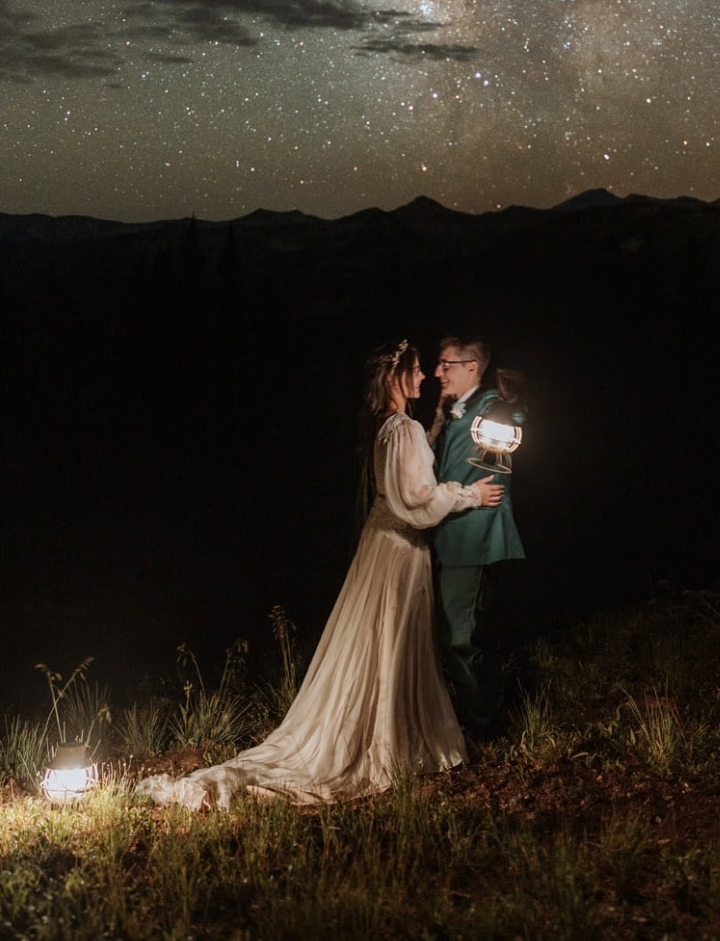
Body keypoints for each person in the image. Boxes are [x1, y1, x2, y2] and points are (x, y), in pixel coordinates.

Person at [137, 340, 503, 809]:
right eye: (415, 369)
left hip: (382, 544)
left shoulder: (390, 428)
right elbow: (417, 504)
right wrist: (469, 494)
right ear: (394, 377)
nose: (425, 375)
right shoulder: (401, 429)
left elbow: (407, 481)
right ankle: (390, 745)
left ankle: (395, 736)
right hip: (399, 549)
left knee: (382, 642)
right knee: (389, 640)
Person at [431, 336, 525, 740]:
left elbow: (515, 419)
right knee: (458, 636)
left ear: (473, 366)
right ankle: (481, 718)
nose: (438, 372)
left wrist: (513, 405)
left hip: (473, 538)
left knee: (460, 638)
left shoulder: (491, 406)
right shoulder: (454, 411)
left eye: (446, 364)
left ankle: (487, 727)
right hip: (447, 534)